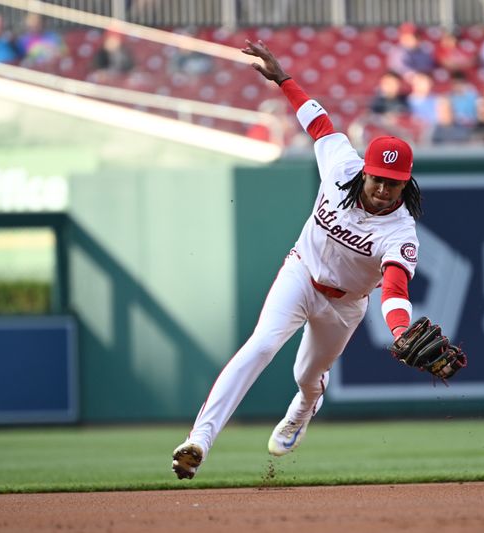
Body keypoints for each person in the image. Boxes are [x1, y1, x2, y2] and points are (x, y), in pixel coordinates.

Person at [172, 40, 435, 480]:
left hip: (346, 304)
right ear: (365, 170)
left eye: (395, 183)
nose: (385, 189)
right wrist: (283, 78)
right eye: (379, 178)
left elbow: (394, 287)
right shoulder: (340, 165)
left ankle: (303, 409)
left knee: (308, 377)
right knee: (261, 345)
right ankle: (199, 440)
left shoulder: (400, 231)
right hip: (301, 274)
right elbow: (317, 121)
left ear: (405, 184)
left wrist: (401, 331)